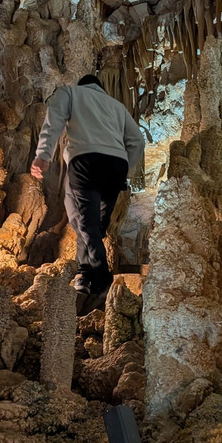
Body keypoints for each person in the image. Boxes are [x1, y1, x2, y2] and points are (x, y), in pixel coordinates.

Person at [31, 75, 145, 307]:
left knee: (84, 221)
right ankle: (84, 273)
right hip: (116, 166)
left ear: (82, 86)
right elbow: (138, 141)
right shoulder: (117, 106)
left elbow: (54, 122)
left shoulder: (70, 93)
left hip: (86, 161)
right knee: (96, 227)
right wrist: (125, 170)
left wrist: (43, 156)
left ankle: (101, 279)